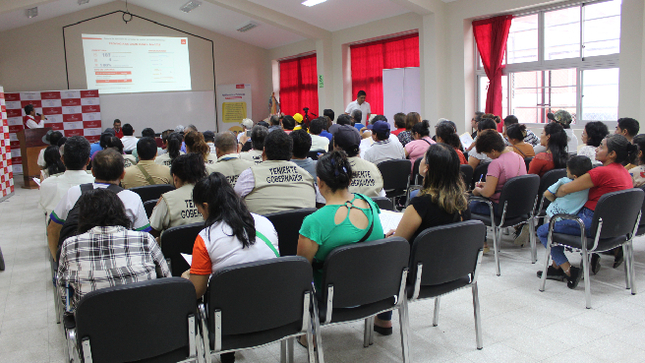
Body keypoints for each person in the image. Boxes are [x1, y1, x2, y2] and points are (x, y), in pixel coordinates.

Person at [297, 150, 387, 333]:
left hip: (332, 298)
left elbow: (300, 270)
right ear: (350, 181)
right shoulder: (370, 204)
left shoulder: (314, 222)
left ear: (319, 183)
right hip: (375, 291)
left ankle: (307, 336)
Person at [536, 134, 636, 287]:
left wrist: (557, 196)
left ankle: (568, 270)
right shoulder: (624, 172)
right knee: (561, 224)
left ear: (612, 154)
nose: (597, 149)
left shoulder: (600, 172)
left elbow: (563, 190)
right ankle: (556, 267)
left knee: (544, 230)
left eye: (601, 146)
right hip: (616, 228)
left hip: (591, 223)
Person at [57, 188, 170, 312]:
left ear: (83, 216)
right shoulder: (145, 239)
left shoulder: (70, 245)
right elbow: (167, 279)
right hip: (146, 320)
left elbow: (64, 294)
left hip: (93, 325)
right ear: (120, 211)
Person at [47, 148, 151, 260]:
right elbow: (143, 236)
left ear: (92, 172)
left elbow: (52, 228)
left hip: (80, 260)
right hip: (121, 260)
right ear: (123, 174)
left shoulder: (74, 192)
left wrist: (57, 262)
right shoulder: (132, 198)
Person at [386, 143, 471, 243]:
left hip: (421, 257)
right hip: (452, 257)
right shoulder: (463, 203)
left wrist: (389, 237)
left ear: (427, 167)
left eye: (423, 158)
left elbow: (397, 243)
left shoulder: (420, 204)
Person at [234, 130, 318, 215]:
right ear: (290, 152)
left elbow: (233, 203)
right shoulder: (307, 176)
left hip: (259, 227)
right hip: (300, 227)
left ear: (264, 151)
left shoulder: (249, 175)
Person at [470, 130, 527, 251]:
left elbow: (487, 193)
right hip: (519, 208)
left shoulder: (496, 164)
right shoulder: (518, 157)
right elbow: (509, 183)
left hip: (500, 209)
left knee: (468, 206)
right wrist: (487, 184)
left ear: (493, 151)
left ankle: (482, 244)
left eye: (487, 154)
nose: (488, 157)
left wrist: (477, 190)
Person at [149, 153, 207, 237]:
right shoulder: (213, 195)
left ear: (175, 178)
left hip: (173, 249)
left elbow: (153, 230)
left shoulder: (167, 199)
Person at [39, 136, 95, 216]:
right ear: (88, 161)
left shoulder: (47, 184)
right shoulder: (98, 184)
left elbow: (44, 209)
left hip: (56, 228)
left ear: (62, 160)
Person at [332, 125, 384, 198]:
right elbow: (382, 198)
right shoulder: (373, 168)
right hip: (370, 208)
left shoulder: (330, 170)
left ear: (335, 146)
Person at [543, 156, 593, 220]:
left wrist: (554, 199)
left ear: (575, 176)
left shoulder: (563, 181)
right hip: (570, 216)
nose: (566, 171)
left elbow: (547, 194)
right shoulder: (589, 185)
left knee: (549, 228)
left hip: (553, 213)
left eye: (567, 170)